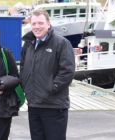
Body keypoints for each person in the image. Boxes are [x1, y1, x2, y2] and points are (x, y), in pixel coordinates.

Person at [20, 9, 75, 140]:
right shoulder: (28, 44)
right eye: (34, 23)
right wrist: (25, 88)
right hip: (33, 105)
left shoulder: (61, 43)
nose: (37, 27)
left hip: (54, 106)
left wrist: (51, 88)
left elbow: (67, 71)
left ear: (48, 24)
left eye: (40, 23)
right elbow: (23, 68)